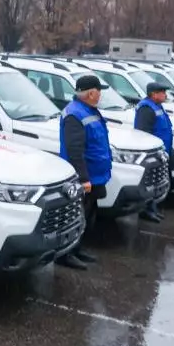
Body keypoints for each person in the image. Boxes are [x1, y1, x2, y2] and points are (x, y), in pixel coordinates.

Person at [56, 75, 111, 271]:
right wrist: (84, 179)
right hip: (85, 178)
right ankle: (66, 254)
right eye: (99, 91)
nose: (101, 94)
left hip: (96, 175)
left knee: (88, 216)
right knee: (75, 216)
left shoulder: (90, 111)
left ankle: (78, 248)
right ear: (90, 93)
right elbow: (74, 150)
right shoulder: (74, 115)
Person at [134, 82, 174, 223]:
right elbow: (143, 133)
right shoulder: (146, 108)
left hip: (162, 152)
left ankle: (153, 209)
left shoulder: (157, 106)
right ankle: (146, 211)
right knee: (150, 183)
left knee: (158, 182)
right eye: (162, 91)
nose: (165, 94)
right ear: (153, 94)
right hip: (153, 154)